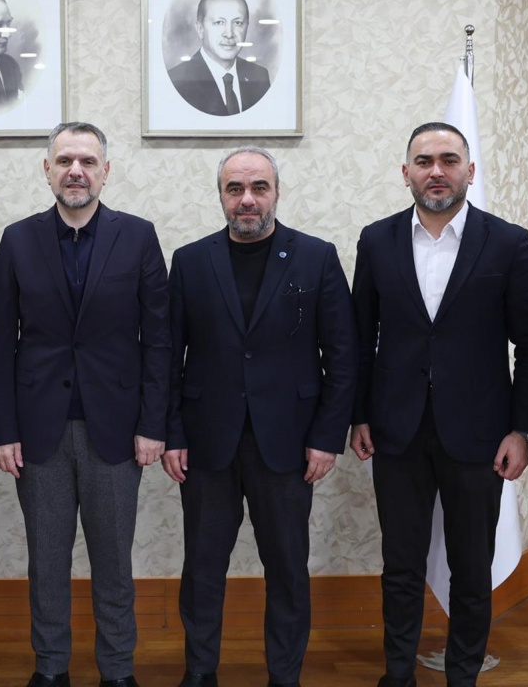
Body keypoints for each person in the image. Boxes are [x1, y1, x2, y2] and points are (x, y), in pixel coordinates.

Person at [350, 122, 528, 687]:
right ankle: (397, 675)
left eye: (449, 160)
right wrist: (358, 414)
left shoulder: (508, 242)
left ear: (470, 170)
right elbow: (360, 338)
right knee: (401, 565)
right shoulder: (376, 240)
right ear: (406, 172)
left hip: (481, 435)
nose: (436, 171)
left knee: (471, 568)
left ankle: (463, 674)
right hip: (396, 430)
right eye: (424, 161)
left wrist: (521, 430)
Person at [163, 146, 357, 687]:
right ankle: (200, 671)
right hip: (206, 443)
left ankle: (284, 675)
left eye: (258, 188)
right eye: (235, 189)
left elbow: (343, 357)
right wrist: (172, 433)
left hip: (290, 443)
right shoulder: (190, 261)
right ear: (221, 196)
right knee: (203, 568)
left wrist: (327, 438)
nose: (247, 199)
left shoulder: (316, 257)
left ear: (276, 192)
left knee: (288, 568)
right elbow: (167, 357)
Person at [0, 121, 170, 687]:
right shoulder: (18, 239)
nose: (76, 171)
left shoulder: (137, 236)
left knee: (114, 562)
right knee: (47, 562)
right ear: (47, 170)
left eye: (88, 161)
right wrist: (2, 429)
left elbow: (159, 340)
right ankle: (50, 669)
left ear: (105, 171)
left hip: (115, 431)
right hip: (37, 431)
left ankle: (117, 669)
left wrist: (153, 424)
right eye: (65, 160)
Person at [167, 0, 271, 116]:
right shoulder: (177, 80)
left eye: (238, 23)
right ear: (200, 29)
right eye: (219, 22)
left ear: (247, 27)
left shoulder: (259, 76)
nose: (229, 34)